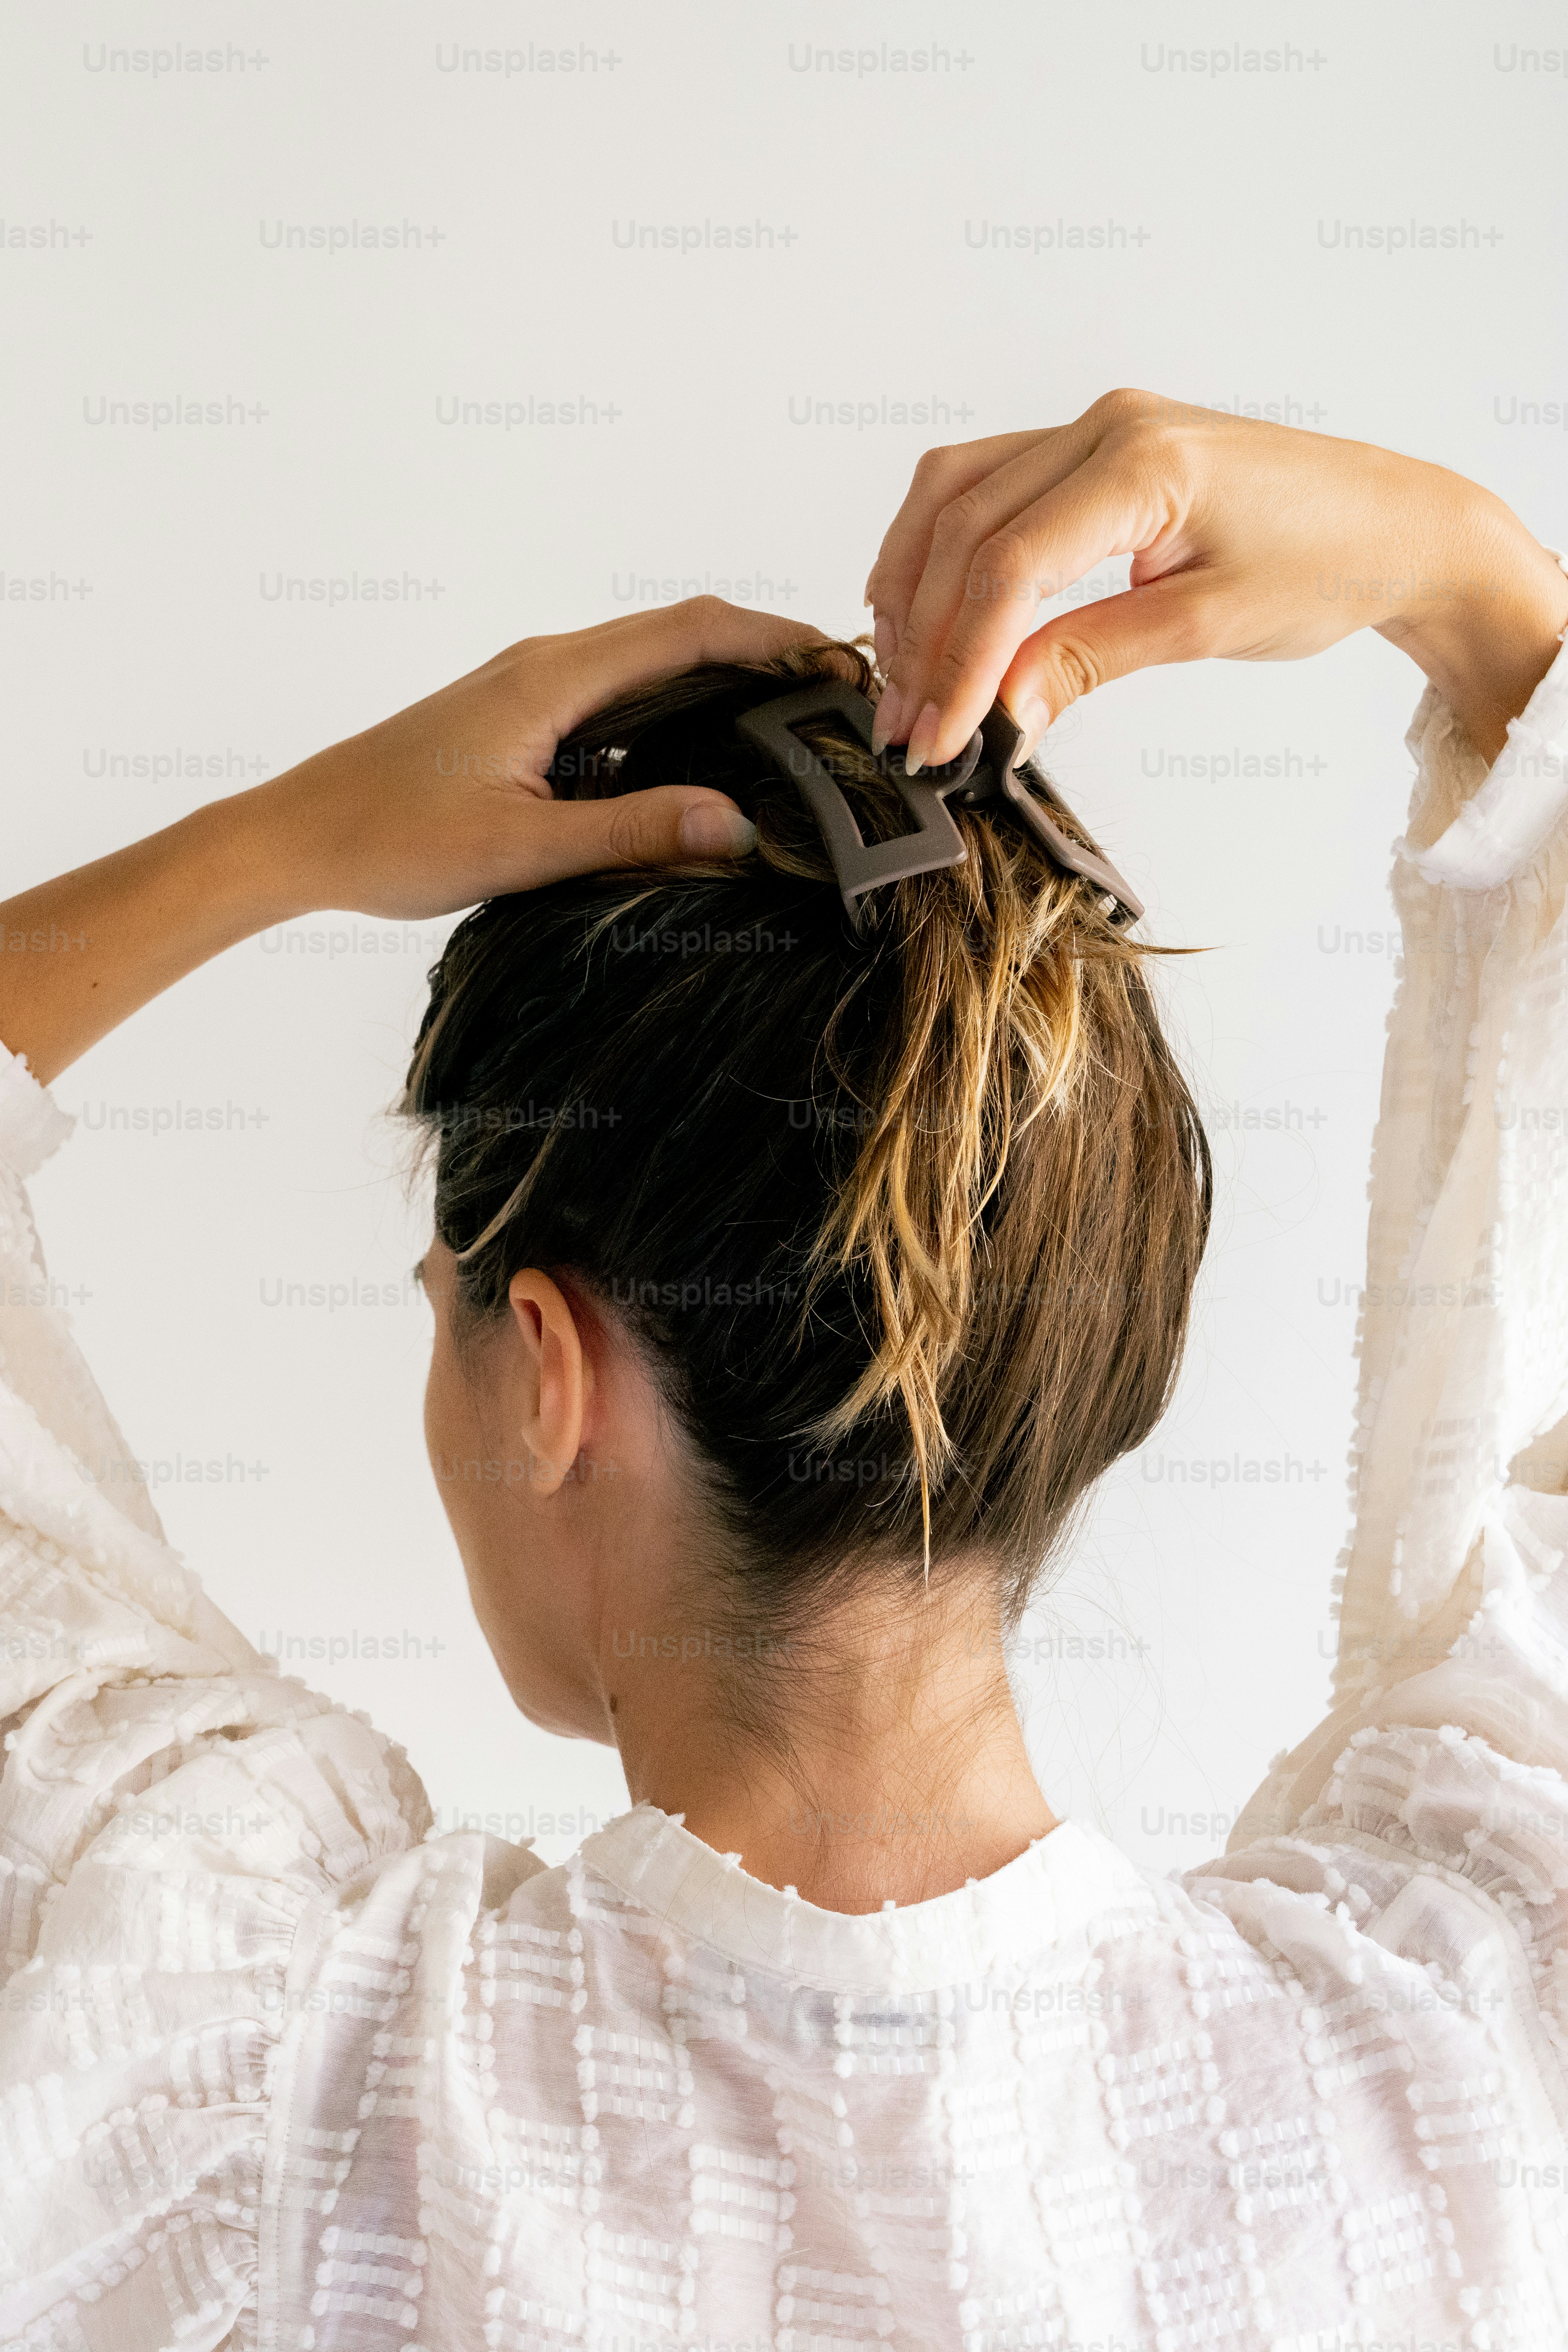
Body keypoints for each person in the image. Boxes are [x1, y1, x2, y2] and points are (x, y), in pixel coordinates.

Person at [1, 390, 1565, 2349]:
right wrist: (1478, 588)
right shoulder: (1454, 2088)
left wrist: (290, 837)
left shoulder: (254, 2075)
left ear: (551, 1369)